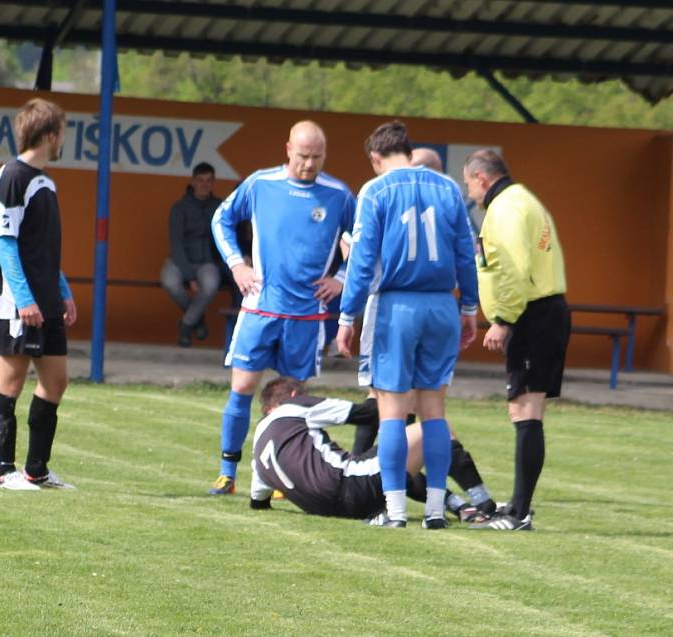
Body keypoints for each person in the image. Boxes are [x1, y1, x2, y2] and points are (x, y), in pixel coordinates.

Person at [337, 121, 479, 529]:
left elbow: (361, 262)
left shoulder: (375, 189)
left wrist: (347, 317)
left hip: (396, 306)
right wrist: (469, 308)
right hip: (441, 306)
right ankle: (435, 509)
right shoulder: (449, 187)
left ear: (377, 158)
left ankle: (395, 510)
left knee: (393, 413)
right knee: (434, 411)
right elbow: (466, 253)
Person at [208, 120, 355, 495]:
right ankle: (228, 473)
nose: (309, 164)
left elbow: (363, 243)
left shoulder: (338, 195)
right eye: (303, 156)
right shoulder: (260, 184)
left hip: (306, 315)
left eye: (317, 157)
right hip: (261, 307)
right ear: (288, 148)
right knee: (241, 386)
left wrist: (341, 276)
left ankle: (283, 478)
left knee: (294, 397)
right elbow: (220, 219)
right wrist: (237, 265)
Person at [463, 149, 570, 531]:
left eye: (470, 185)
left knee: (526, 411)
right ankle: (519, 505)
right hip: (545, 310)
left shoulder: (504, 208)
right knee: (526, 410)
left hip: (531, 315)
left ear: (481, 179)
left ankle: (520, 513)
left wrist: (503, 320)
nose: (471, 194)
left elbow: (512, 267)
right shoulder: (526, 199)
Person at [0, 97, 77, 491]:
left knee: (56, 382)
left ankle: (37, 470)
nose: (63, 140)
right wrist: (23, 299)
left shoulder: (46, 181)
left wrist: (63, 290)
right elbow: (5, 243)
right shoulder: (11, 177)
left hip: (46, 300)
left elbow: (43, 249)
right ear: (51, 135)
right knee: (12, 381)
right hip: (17, 303)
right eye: (63, 133)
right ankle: (4, 471)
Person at [249, 377, 492, 521]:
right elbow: (367, 413)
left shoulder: (258, 444)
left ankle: (458, 505)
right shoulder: (294, 406)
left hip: (331, 510)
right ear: (293, 394)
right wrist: (379, 385)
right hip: (352, 489)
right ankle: (484, 503)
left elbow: (258, 502)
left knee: (389, 461)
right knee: (435, 429)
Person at [160, 162, 224, 347]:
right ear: (193, 181)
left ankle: (187, 324)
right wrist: (190, 277)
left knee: (211, 285)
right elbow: (176, 244)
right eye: (200, 180)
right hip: (180, 260)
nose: (204, 184)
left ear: (213, 183)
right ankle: (197, 318)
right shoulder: (180, 207)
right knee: (169, 282)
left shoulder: (220, 206)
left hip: (207, 262)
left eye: (208, 181)